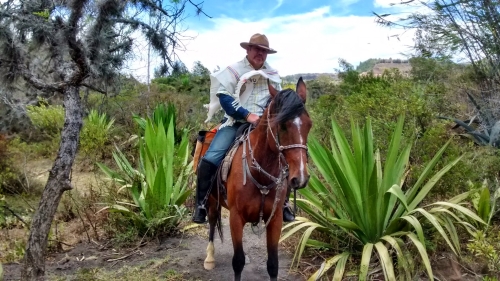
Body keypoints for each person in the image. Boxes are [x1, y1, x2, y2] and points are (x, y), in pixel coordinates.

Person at [192, 33, 296, 224]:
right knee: (211, 158)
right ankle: (201, 204)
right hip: (236, 122)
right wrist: (248, 115)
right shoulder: (234, 70)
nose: (260, 54)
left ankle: (284, 203)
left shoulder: (272, 74)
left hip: (264, 126)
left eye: (264, 51)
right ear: (248, 49)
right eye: (257, 49)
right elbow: (224, 97)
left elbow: (278, 100)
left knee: (286, 156)